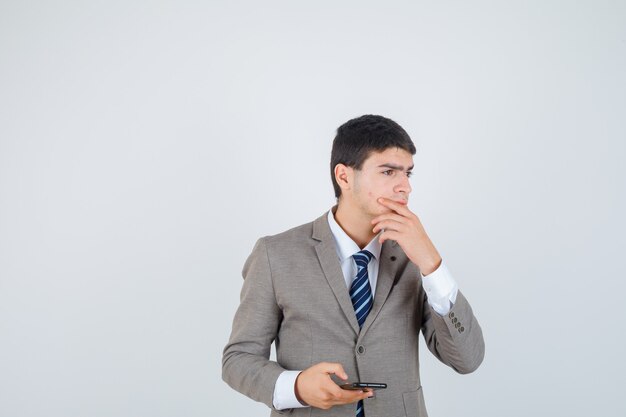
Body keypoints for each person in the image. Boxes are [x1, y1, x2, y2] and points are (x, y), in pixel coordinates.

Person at [222, 114, 485, 417]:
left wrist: (432, 264)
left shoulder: (417, 258)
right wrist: (296, 386)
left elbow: (468, 359)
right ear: (344, 176)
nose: (404, 188)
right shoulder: (275, 254)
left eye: (408, 174)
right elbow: (238, 359)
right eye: (388, 171)